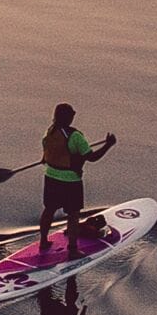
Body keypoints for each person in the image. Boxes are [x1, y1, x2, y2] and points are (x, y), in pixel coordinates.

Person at [36, 103, 116, 257]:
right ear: (68, 117)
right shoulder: (75, 136)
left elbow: (47, 153)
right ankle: (72, 250)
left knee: (49, 210)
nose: (73, 117)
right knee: (73, 214)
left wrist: (47, 158)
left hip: (51, 178)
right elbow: (92, 157)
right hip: (70, 181)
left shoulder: (50, 132)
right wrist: (108, 145)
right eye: (72, 115)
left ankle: (43, 241)